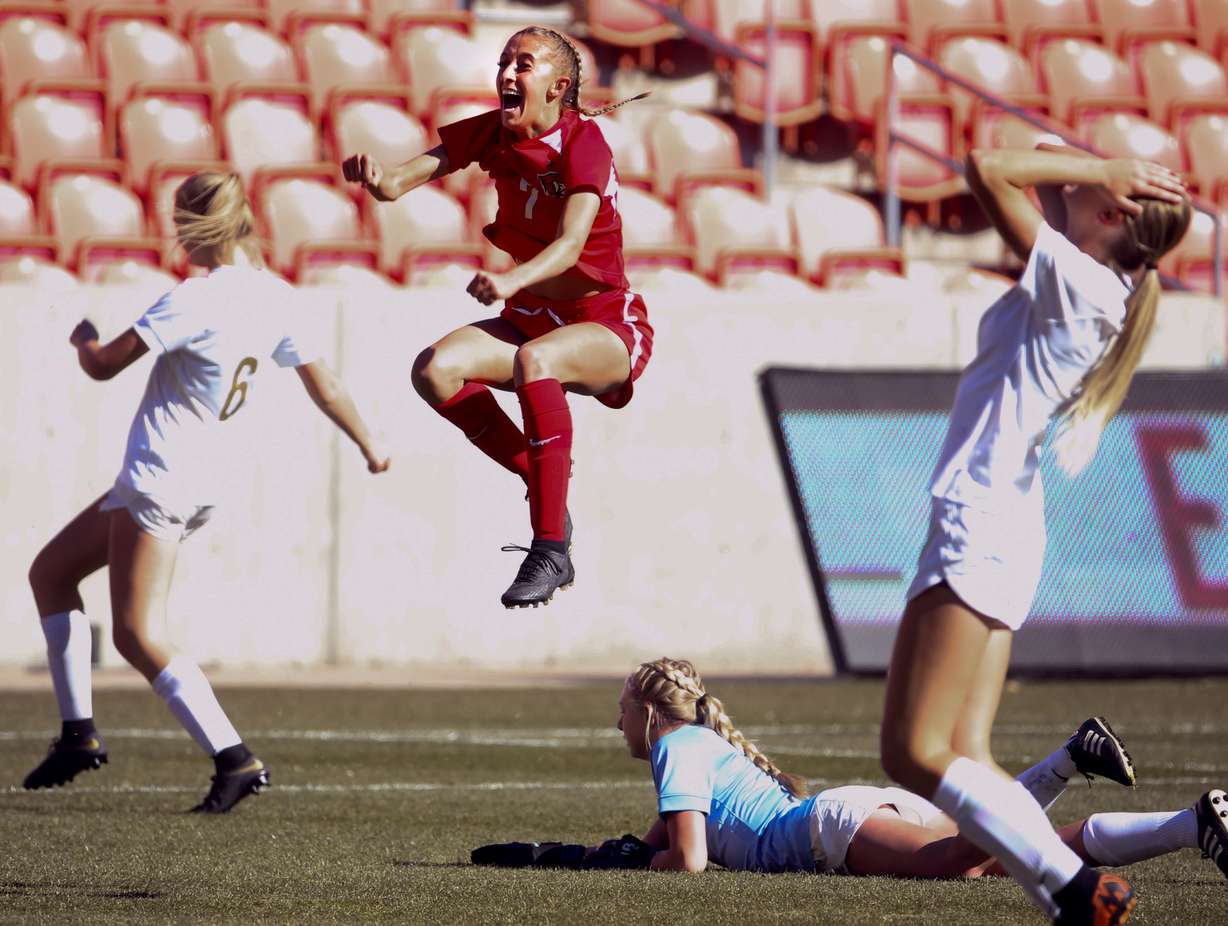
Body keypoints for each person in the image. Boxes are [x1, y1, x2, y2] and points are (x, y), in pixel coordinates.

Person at [876, 145, 1193, 923]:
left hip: (979, 514)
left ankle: (1073, 890)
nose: (1085, 182)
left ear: (1114, 216)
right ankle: (1068, 895)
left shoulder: (1081, 280)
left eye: (1104, 189)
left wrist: (1101, 164)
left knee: (912, 752)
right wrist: (1101, 173)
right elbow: (1030, 166)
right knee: (968, 752)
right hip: (1005, 518)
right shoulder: (1091, 274)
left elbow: (987, 161)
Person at [22, 171, 390, 813]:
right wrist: (369, 443)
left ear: (199, 227)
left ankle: (234, 757)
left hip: (161, 478)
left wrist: (81, 336)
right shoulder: (274, 296)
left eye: (178, 223)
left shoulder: (194, 299)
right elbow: (324, 384)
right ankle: (78, 734)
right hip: (195, 480)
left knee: (138, 633)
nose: (175, 237)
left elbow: (105, 364)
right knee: (51, 573)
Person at [342, 26, 653, 609]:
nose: (508, 74)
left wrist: (510, 279)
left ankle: (551, 546)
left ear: (559, 86)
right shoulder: (493, 130)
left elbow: (570, 245)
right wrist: (379, 180)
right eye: (505, 62)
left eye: (523, 65)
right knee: (434, 370)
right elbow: (402, 181)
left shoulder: (586, 144)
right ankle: (543, 482)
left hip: (606, 323)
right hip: (533, 314)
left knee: (537, 360)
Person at [595, 658, 1227, 885]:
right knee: (996, 853)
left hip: (832, 829)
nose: (615, 721)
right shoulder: (699, 744)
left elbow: (689, 859)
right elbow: (667, 836)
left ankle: (1126, 795)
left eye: (623, 709)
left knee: (970, 858)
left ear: (652, 715)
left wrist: (645, 863)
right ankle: (1155, 808)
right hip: (849, 815)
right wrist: (622, 850)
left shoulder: (674, 748)